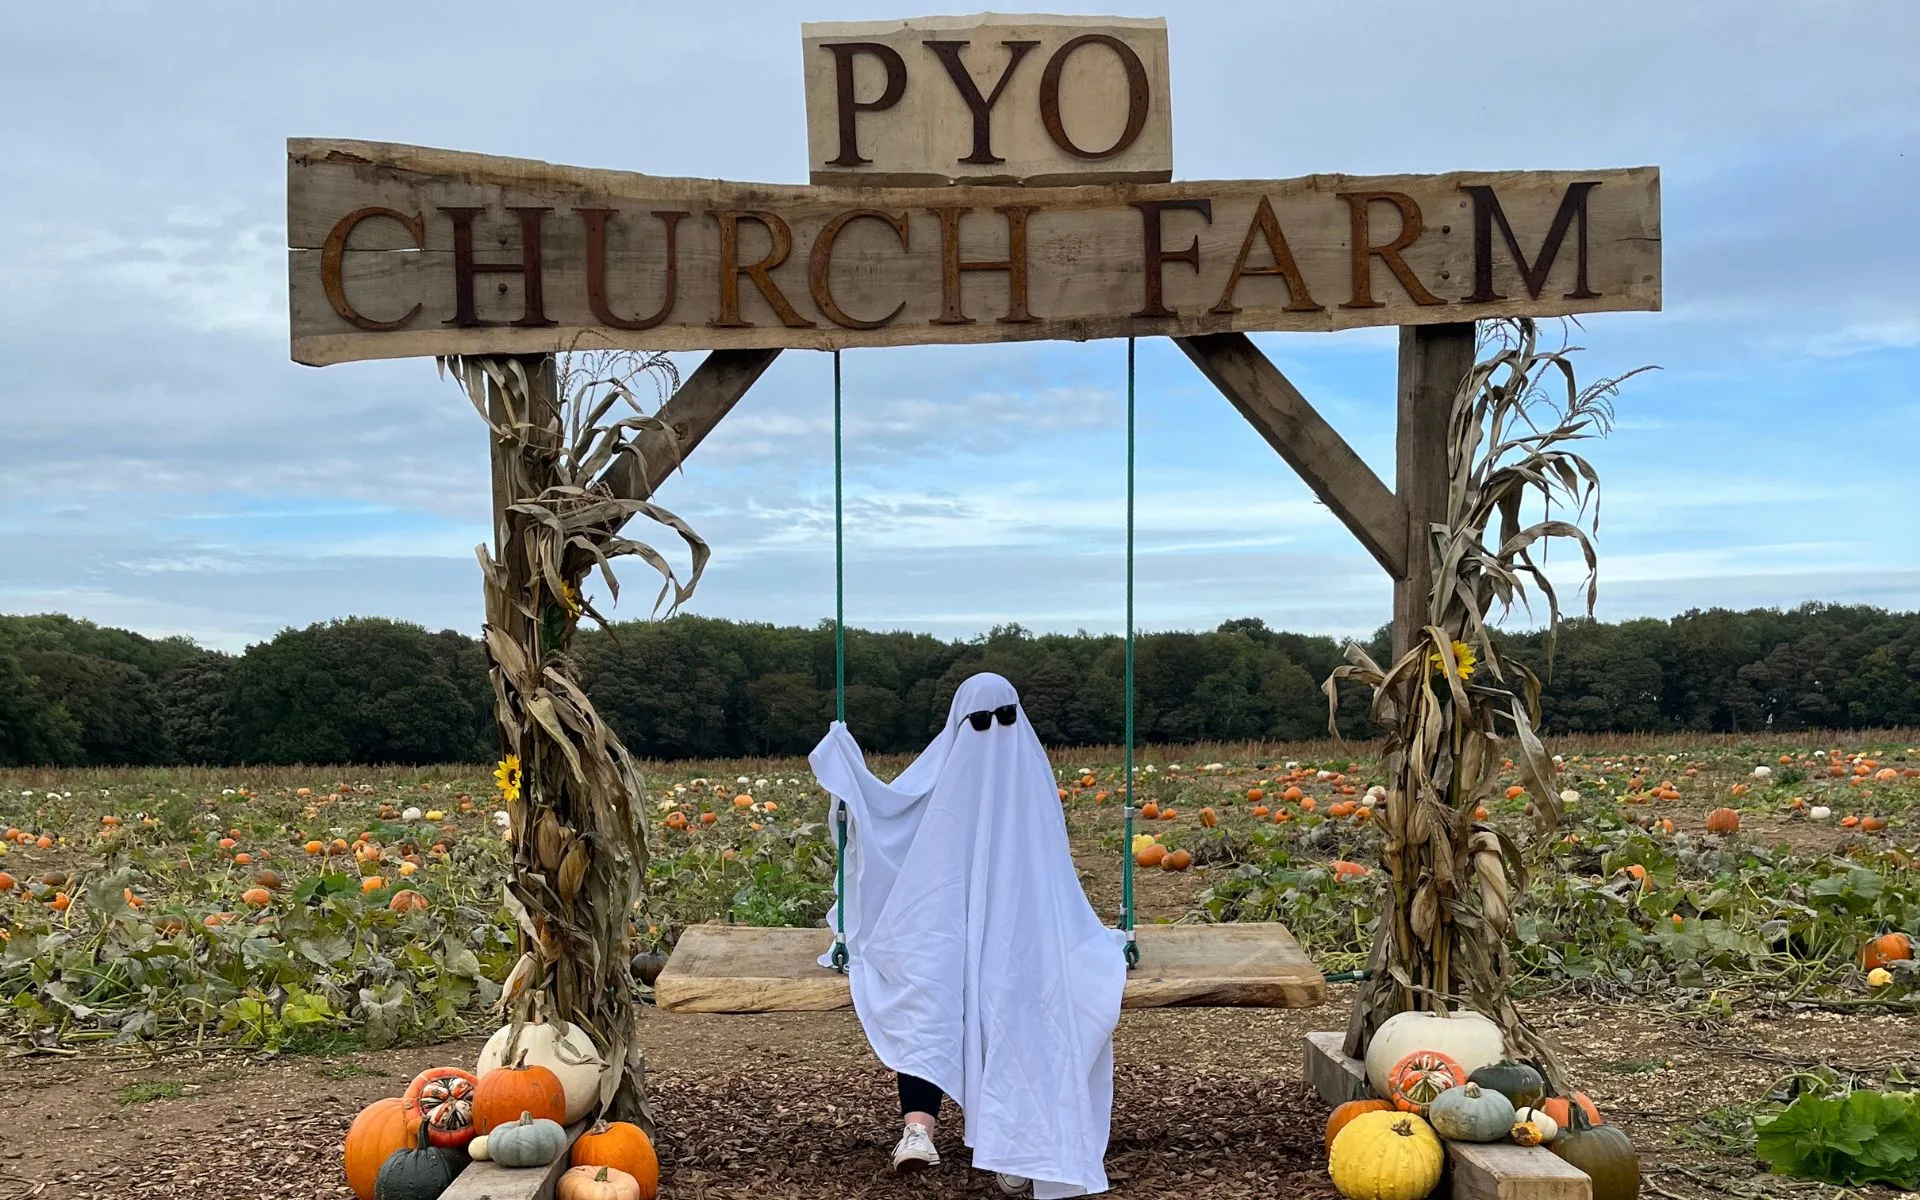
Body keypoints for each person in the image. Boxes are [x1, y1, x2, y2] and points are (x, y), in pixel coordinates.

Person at [810, 673, 1128, 1198]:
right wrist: (847, 770)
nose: (993, 732)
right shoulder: (942, 774)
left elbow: (1047, 871)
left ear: (1017, 719)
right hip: (939, 926)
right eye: (980, 723)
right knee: (928, 985)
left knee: (1026, 997)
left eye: (1003, 719)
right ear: (961, 725)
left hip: (1021, 932)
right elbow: (887, 816)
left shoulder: (1029, 775)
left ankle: (1017, 1138)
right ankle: (921, 1127)